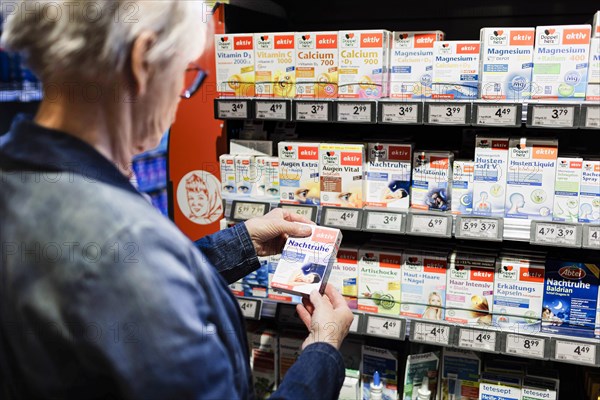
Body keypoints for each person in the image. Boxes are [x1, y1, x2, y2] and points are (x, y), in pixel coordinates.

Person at [0, 2, 354, 399]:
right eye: (186, 74)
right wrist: (322, 352)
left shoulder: (16, 174)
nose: (181, 99)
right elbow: (127, 274)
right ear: (141, 62)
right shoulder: (124, 241)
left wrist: (242, 242)